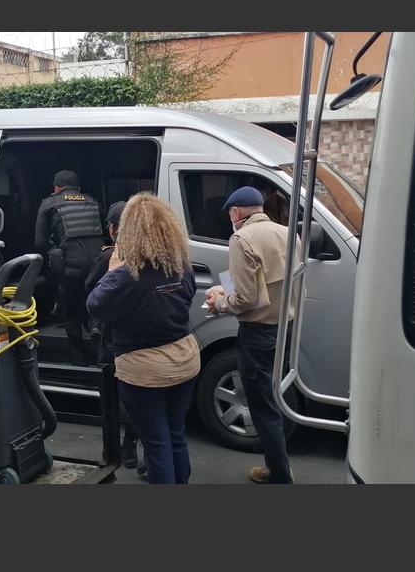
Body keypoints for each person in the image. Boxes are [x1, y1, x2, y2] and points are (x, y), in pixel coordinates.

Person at [86, 193, 199, 484]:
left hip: (144, 369)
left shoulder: (125, 275)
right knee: (176, 435)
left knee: (156, 444)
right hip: (185, 359)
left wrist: (113, 266)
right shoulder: (180, 266)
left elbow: (95, 304)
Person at [206, 186, 299, 484]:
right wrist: (225, 286)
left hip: (257, 332)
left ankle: (279, 473)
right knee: (274, 397)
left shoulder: (241, 238)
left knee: (262, 405)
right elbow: (262, 282)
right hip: (284, 328)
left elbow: (245, 299)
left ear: (235, 213)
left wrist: (219, 302)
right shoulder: (288, 233)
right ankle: (280, 465)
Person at [84, 201, 146, 477]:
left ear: (111, 229)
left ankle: (125, 446)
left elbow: (90, 290)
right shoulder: (156, 254)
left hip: (115, 338)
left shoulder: (109, 257)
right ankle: (137, 445)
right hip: (145, 338)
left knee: (114, 391)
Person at [35, 170, 105, 364]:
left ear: (56, 188)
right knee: (96, 302)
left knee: (70, 311)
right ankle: (96, 331)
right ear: (78, 187)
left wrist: (53, 250)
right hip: (98, 264)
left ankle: (78, 358)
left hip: (70, 267)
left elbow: (39, 242)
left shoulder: (49, 204)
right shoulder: (92, 201)